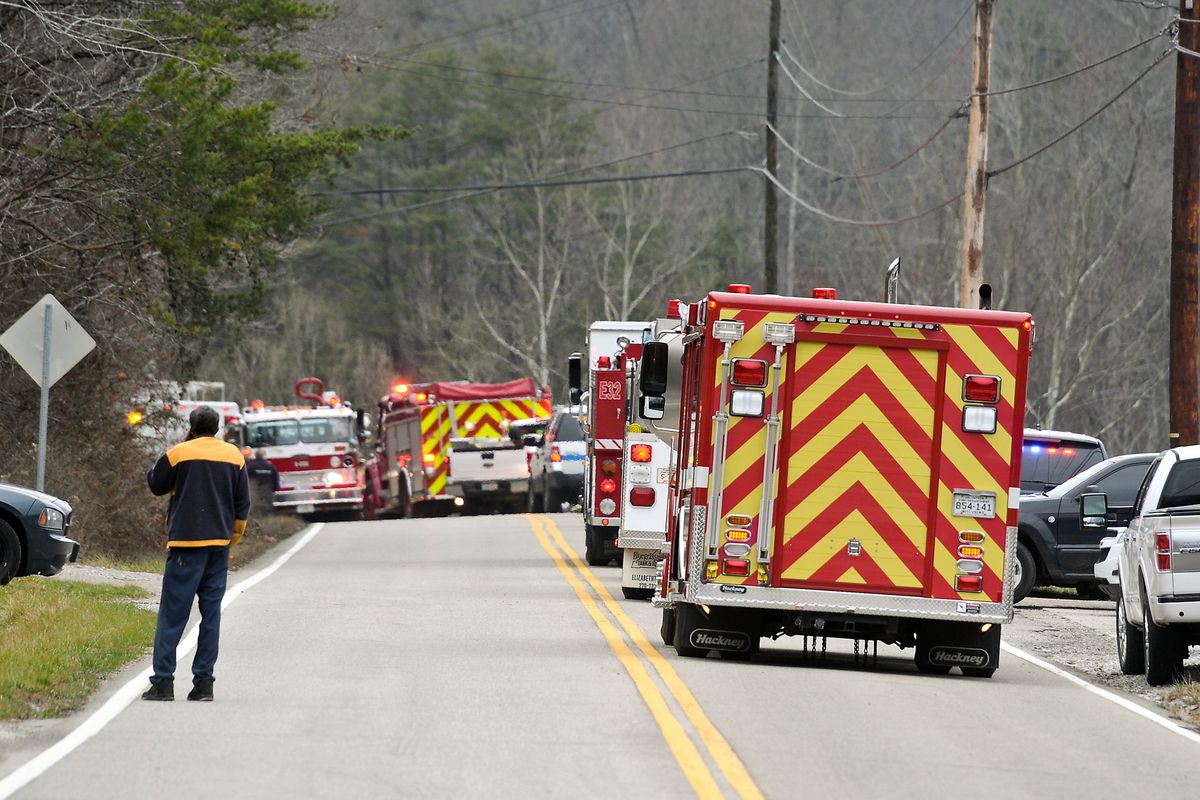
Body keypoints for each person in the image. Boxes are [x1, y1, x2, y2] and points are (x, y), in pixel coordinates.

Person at [143, 406, 250, 702]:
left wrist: (174, 449)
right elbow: (242, 506)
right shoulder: (234, 456)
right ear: (217, 427)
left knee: (172, 616)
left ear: (191, 426)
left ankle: (162, 682)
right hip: (219, 546)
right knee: (211, 615)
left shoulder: (180, 453)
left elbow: (155, 484)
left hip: (185, 546)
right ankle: (204, 684)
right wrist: (233, 540)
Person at [246, 448, 280, 514]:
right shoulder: (271, 466)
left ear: (255, 456)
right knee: (268, 509)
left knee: (256, 510)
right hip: (268, 491)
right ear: (264, 456)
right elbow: (276, 479)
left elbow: (247, 479)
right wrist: (276, 488)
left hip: (255, 492)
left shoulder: (251, 467)